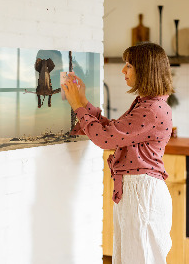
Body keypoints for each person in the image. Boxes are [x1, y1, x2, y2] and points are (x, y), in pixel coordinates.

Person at [61, 42, 174, 264]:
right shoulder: (147, 104)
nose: (123, 70)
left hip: (142, 193)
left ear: (145, 69)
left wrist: (77, 106)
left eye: (129, 65)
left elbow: (105, 139)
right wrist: (83, 101)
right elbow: (113, 131)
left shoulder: (151, 109)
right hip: (136, 191)